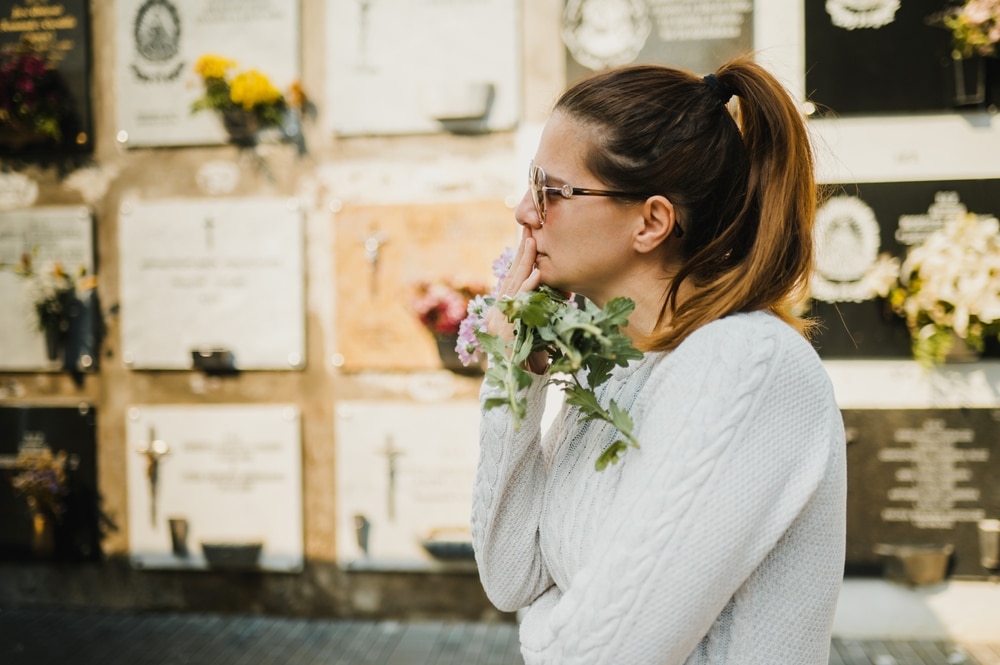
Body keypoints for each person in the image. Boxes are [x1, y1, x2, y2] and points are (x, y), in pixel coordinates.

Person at [470, 54, 847, 664]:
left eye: (551, 190)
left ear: (651, 221)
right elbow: (513, 580)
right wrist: (515, 373)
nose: (523, 211)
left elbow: (596, 657)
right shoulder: (622, 368)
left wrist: (551, 627)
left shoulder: (748, 367)